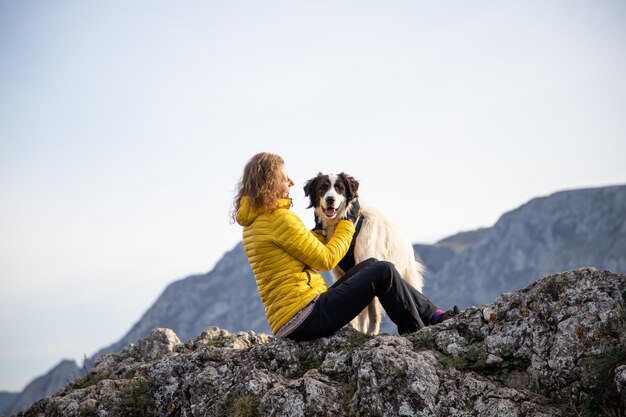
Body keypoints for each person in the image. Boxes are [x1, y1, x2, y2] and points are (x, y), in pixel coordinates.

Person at [232, 152, 454, 341]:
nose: (291, 182)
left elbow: (305, 254)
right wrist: (348, 224)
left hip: (293, 317)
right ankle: (415, 333)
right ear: (269, 183)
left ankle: (435, 315)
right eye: (284, 178)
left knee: (373, 264)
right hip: (305, 317)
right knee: (383, 271)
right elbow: (326, 261)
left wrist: (320, 231)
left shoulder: (256, 222)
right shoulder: (279, 219)